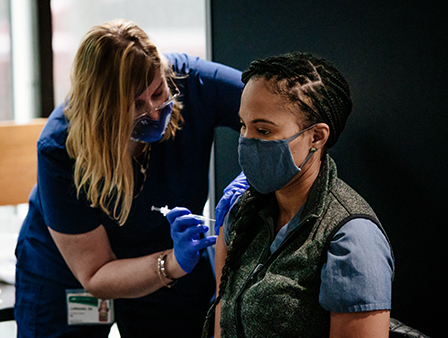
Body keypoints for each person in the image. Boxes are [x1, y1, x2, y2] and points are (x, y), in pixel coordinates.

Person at [14, 19, 244, 338]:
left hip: (170, 252)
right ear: (104, 110)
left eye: (158, 92)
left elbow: (273, 106)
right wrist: (172, 263)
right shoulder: (62, 147)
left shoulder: (190, 81)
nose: (153, 111)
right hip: (70, 272)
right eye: (136, 104)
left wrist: (252, 176)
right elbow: (95, 275)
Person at [201, 52, 395, 337]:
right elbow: (222, 324)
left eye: (264, 130)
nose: (246, 141)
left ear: (316, 137)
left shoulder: (352, 239)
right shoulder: (241, 214)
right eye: (244, 125)